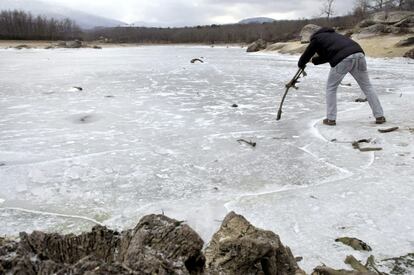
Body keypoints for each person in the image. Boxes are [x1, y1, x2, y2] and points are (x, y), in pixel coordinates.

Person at [298, 26, 386, 126]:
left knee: (331, 88)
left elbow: (307, 54)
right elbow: (331, 55)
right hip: (359, 54)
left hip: (344, 59)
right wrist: (313, 61)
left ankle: (331, 119)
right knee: (367, 86)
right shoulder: (335, 36)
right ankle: (379, 116)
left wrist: (301, 64)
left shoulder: (317, 38)